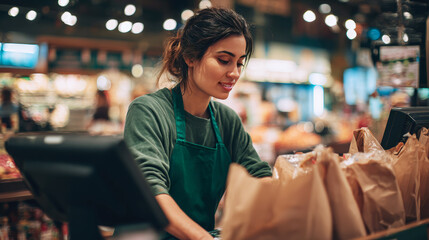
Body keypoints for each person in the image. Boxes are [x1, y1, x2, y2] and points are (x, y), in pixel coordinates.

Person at [124, 8, 272, 240]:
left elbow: (257, 175)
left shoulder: (227, 121)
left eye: (240, 63)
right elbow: (151, 191)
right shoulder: (148, 111)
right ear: (190, 57)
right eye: (224, 60)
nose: (234, 73)